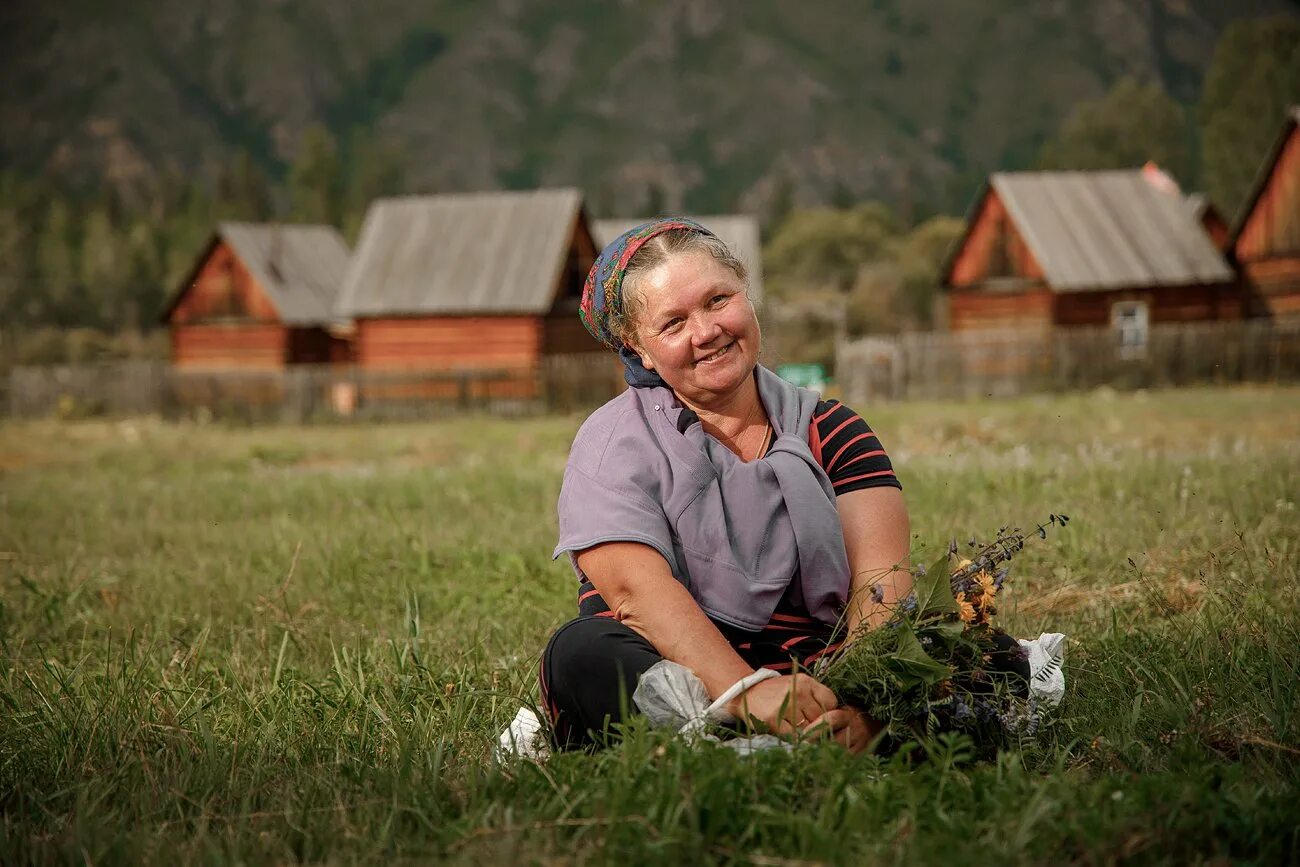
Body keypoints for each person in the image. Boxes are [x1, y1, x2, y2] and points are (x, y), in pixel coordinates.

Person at [540, 218, 912, 754]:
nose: (706, 331)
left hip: (816, 680)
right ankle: (722, 742)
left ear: (747, 295)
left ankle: (801, 744)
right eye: (673, 323)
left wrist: (859, 705)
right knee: (582, 652)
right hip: (674, 672)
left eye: (718, 300)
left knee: (972, 652)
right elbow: (634, 593)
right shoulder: (611, 444)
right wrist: (747, 690)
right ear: (638, 348)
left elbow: (883, 585)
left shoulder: (832, 431)